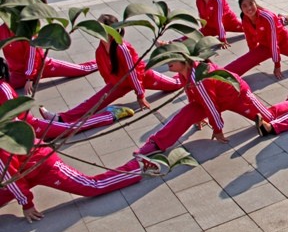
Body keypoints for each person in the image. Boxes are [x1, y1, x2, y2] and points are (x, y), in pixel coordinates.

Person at [135, 59, 288, 155]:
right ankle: (156, 143)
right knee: (185, 114)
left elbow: (212, 106)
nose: (167, 62)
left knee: (269, 118)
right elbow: (197, 97)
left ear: (183, 59)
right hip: (213, 99)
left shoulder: (200, 78)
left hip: (238, 95)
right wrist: (198, 117)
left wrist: (217, 129)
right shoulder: (185, 72)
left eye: (172, 59)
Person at [38, 14, 183, 123]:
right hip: (118, 83)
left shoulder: (122, 48)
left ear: (110, 30)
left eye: (99, 27)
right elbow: (103, 68)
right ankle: (60, 118)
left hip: (142, 77)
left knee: (176, 84)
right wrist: (111, 84)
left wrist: (140, 94)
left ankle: (187, 72)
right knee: (94, 101)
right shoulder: (101, 47)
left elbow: (133, 72)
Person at [0, 145, 159, 223]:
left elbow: (12, 178)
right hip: (23, 168)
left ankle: (137, 167)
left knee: (91, 186)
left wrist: (26, 204)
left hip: (43, 164)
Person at [0, 57, 133, 141]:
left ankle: (110, 114)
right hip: (13, 128)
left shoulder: (4, 90)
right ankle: (58, 119)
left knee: (69, 129)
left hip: (29, 126)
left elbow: (15, 118)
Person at [226, 0, 288, 79]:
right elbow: (250, 38)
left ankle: (284, 18)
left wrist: (277, 65)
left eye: (251, 4)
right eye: (244, 6)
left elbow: (273, 42)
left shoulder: (267, 17)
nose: (249, 8)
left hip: (284, 42)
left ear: (255, 4)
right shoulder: (245, 19)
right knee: (239, 64)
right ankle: (215, 75)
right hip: (265, 46)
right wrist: (253, 54)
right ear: (241, 8)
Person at [0, 24, 97, 94]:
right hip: (18, 73)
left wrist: (29, 79)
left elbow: (33, 56)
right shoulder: (2, 30)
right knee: (4, 86)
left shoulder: (28, 31)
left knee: (81, 70)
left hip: (43, 66)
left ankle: (100, 62)